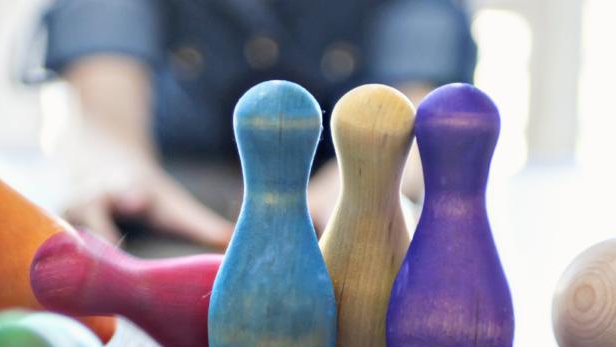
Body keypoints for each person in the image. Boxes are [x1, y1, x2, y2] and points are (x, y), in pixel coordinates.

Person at [37, 0, 477, 246]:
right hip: (165, 208)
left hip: (336, 217)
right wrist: (116, 160)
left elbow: (418, 117)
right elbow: (103, 125)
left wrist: (371, 176)